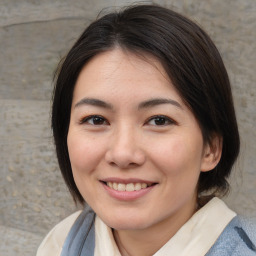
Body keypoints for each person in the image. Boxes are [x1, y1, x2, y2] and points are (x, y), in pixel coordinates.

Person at [37, 4, 256, 256]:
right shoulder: (63, 242)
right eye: (96, 119)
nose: (123, 154)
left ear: (211, 148)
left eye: (159, 120)